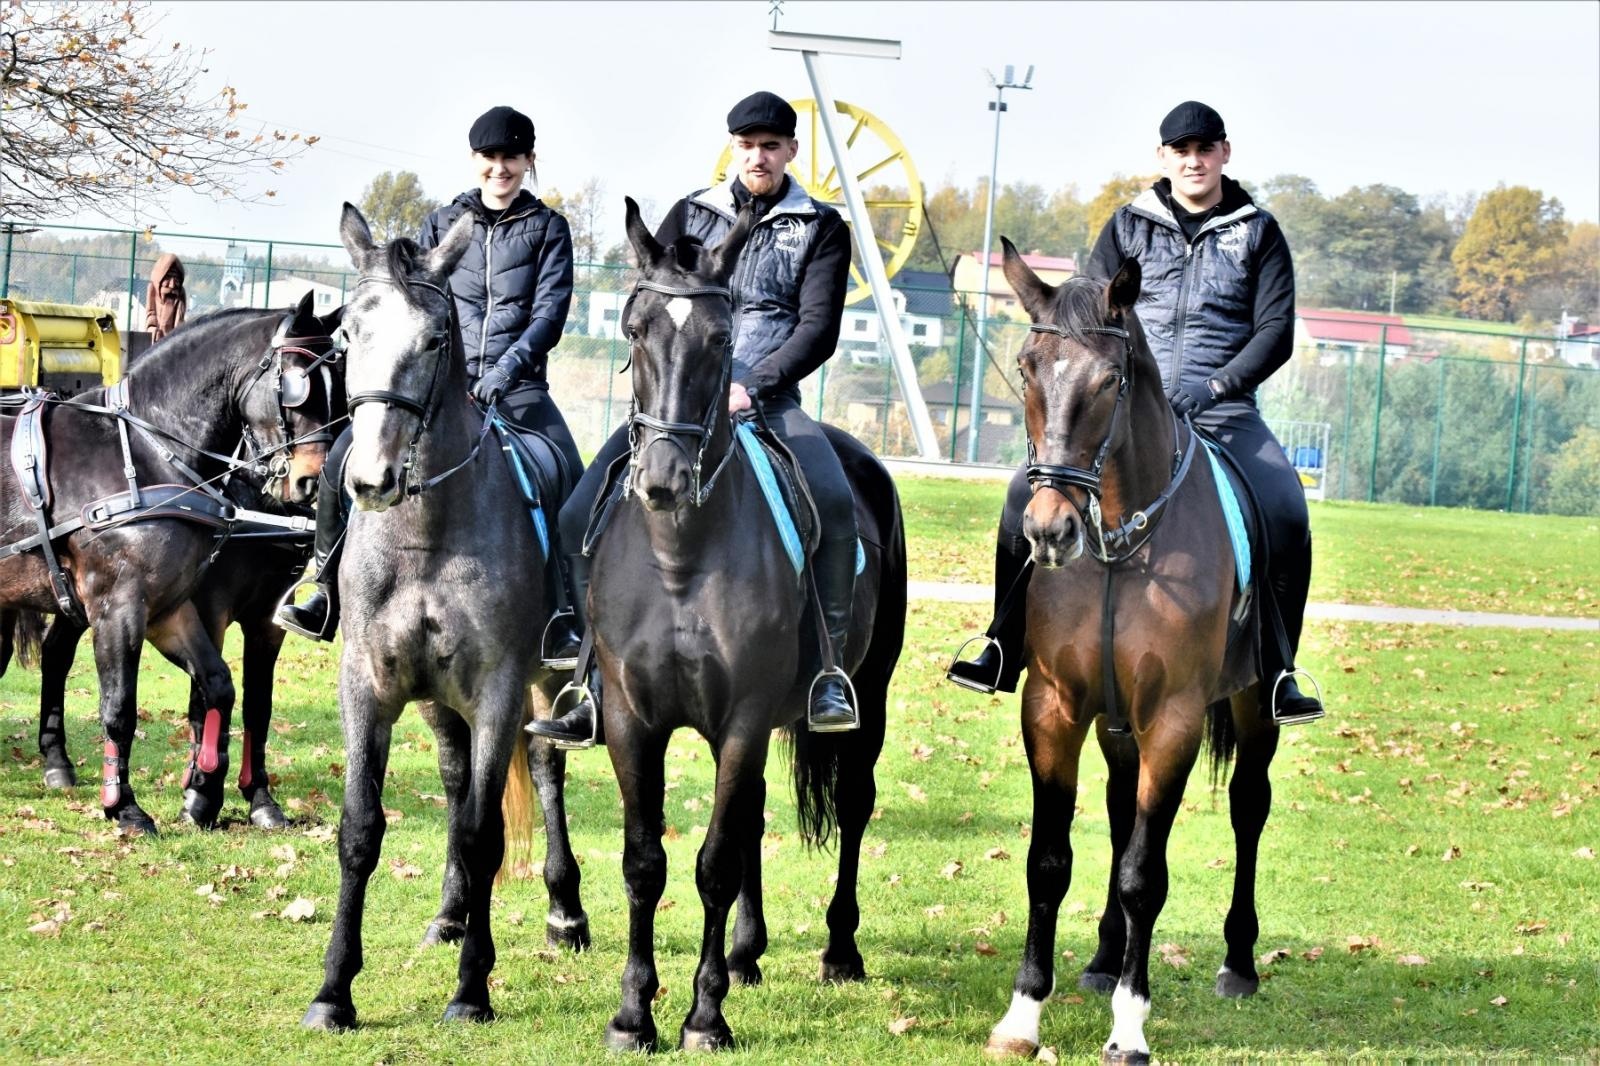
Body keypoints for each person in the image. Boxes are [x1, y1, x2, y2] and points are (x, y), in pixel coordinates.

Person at [947, 100, 1323, 725]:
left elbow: (1275, 332)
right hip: (1122, 408)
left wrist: (1215, 387)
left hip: (1222, 410)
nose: (1194, 160)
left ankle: (1280, 667)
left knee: (1285, 503)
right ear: (1163, 158)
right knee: (1023, 493)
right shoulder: (1127, 224)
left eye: (1205, 149)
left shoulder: (1260, 232)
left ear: (1225, 154)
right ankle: (1002, 644)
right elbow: (1084, 316)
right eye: (1182, 151)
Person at [528, 90, 858, 747]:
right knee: (574, 515)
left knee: (837, 501)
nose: (757, 157)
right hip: (677, 407)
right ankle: (588, 676)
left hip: (769, 401)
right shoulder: (691, 214)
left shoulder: (821, 227)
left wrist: (753, 383)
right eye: (746, 145)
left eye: (771, 146)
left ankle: (828, 672)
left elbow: (817, 329)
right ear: (731, 149)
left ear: (792, 151)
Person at [276, 105, 583, 648]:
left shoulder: (548, 228)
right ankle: (323, 588)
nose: (500, 168)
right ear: (474, 160)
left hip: (521, 389)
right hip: (440, 388)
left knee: (570, 480)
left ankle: (565, 622)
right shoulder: (441, 224)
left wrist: (508, 370)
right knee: (342, 455)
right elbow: (412, 305)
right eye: (489, 157)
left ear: (529, 160)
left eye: (511, 156)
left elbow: (549, 313)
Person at [145, 253, 187, 341]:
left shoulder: (180, 293)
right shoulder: (152, 288)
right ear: (159, 277)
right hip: (155, 338)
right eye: (168, 278)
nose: (172, 285)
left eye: (176, 280)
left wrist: (178, 335)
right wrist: (152, 328)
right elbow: (150, 313)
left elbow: (179, 321)